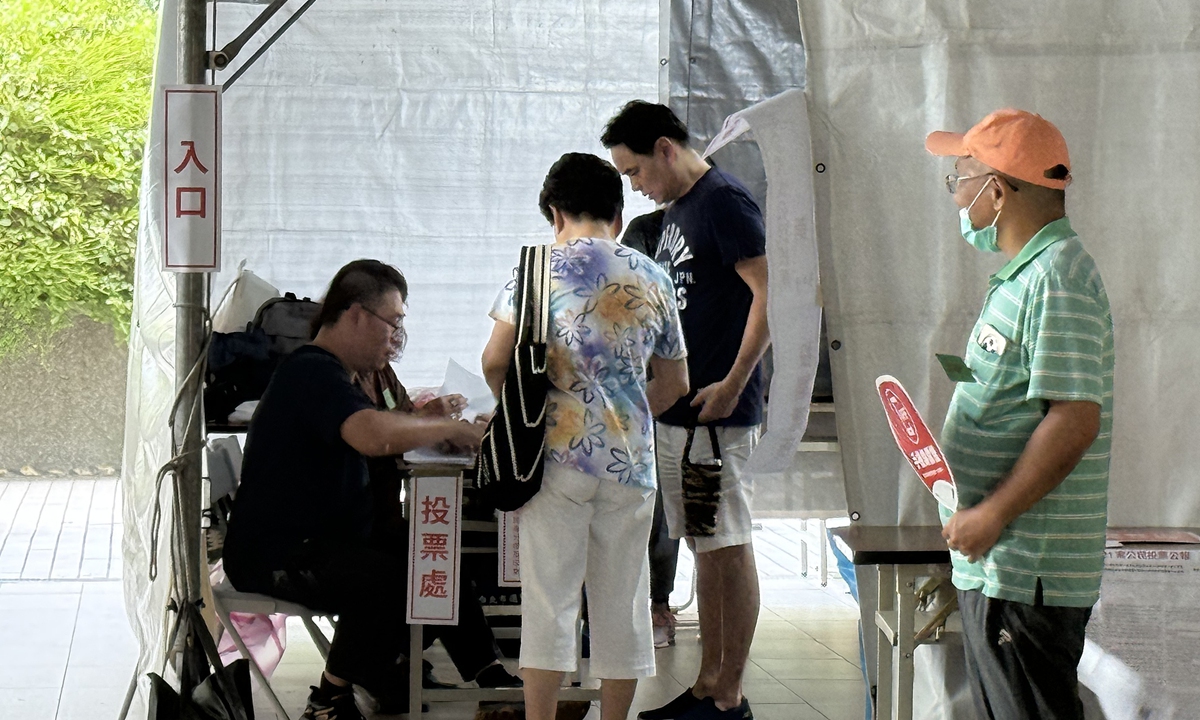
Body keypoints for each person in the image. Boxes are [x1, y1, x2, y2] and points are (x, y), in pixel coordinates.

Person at [222, 259, 487, 720]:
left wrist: (430, 424)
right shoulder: (311, 371)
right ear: (357, 315)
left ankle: (486, 675)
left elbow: (380, 427)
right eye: (394, 322)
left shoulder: (334, 373)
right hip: (280, 554)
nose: (396, 337)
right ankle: (329, 697)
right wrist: (447, 427)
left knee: (429, 549)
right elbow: (370, 434)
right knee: (386, 581)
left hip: (325, 540)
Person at [481, 152, 689, 720]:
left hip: (554, 459)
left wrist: (524, 408)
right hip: (631, 464)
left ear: (555, 213)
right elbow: (675, 381)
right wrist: (625, 414)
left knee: (549, 602)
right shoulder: (653, 276)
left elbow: (495, 361)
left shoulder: (534, 272)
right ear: (617, 215)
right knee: (621, 604)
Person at [926, 108, 1114, 719]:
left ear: (998, 190)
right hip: (997, 563)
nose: (955, 193)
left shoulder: (1059, 277)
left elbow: (1073, 418)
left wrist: (994, 512)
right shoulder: (1022, 276)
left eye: (960, 177)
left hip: (1027, 566)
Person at [603, 101, 769, 720]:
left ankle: (727, 695)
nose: (637, 187)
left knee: (729, 544)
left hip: (716, 414)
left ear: (666, 149)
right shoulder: (680, 210)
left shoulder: (724, 201)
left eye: (637, 172)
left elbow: (772, 296)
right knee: (707, 545)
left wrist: (731, 383)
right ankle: (706, 686)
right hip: (683, 411)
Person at [354, 362, 522, 693]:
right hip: (360, 518)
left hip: (384, 514)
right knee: (431, 559)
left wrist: (437, 426)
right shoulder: (343, 378)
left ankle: (405, 660)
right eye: (391, 324)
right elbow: (380, 437)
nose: (395, 337)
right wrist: (435, 427)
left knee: (437, 555)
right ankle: (390, 661)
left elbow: (404, 425)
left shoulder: (381, 373)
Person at [621, 208, 680, 650]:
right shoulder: (646, 232)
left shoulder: (717, 220)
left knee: (669, 515)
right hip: (648, 396)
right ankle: (643, 608)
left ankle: (658, 602)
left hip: (677, 396)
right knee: (652, 511)